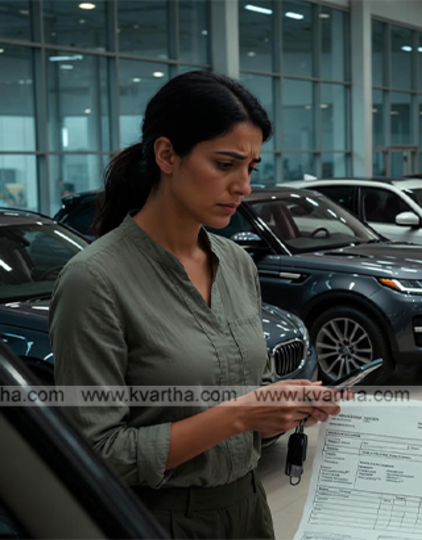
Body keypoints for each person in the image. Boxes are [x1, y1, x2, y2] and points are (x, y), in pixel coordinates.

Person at [49, 71, 344, 539]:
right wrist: (240, 414)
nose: (244, 186)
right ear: (167, 155)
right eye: (226, 164)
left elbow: (255, 389)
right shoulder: (96, 280)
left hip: (247, 507)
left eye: (252, 168)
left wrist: (284, 407)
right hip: (158, 519)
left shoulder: (235, 262)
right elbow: (97, 453)